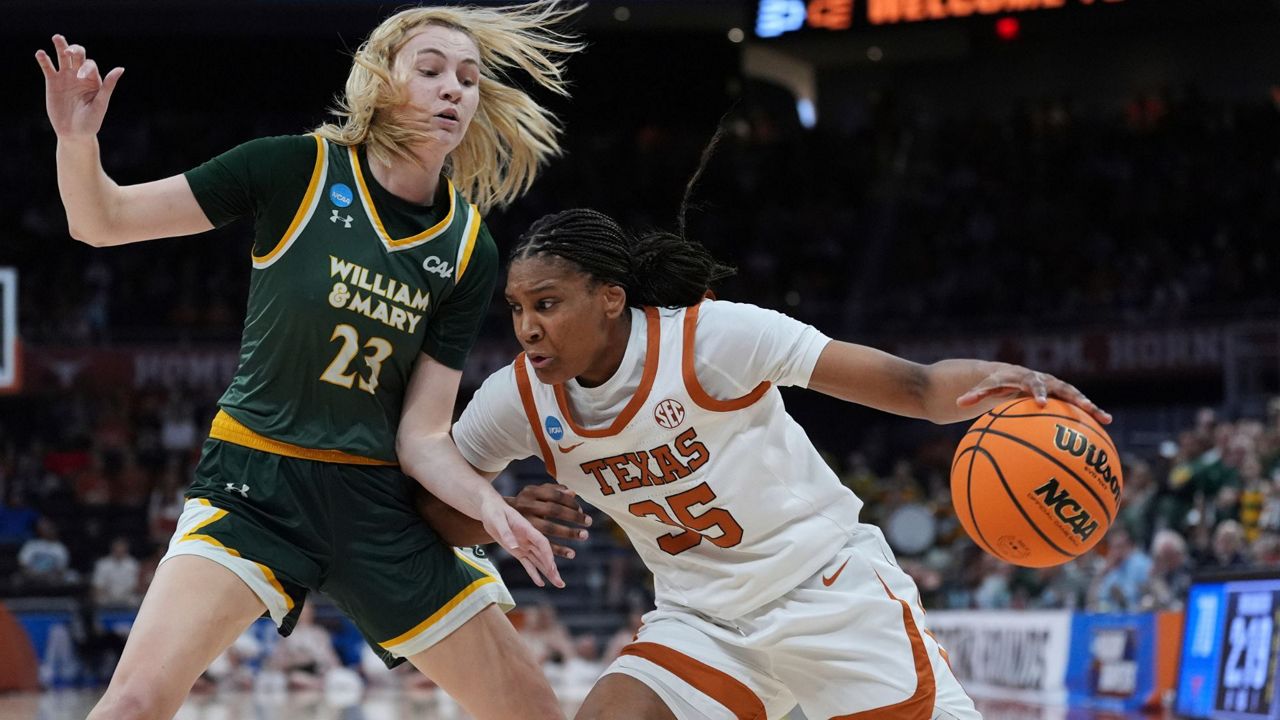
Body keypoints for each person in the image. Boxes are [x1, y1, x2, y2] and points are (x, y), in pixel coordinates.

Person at [35, 3, 587, 718]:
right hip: (257, 485)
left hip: (376, 505)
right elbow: (99, 221)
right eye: (430, 70)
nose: (453, 88)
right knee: (133, 704)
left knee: (536, 713)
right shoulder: (295, 168)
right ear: (381, 81)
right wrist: (76, 141)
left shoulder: (466, 247)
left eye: (468, 78)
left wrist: (491, 507)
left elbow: (422, 437)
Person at [424, 206, 1114, 719]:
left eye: (546, 304)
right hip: (703, 621)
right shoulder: (516, 398)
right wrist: (496, 516)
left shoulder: (712, 340)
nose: (528, 328)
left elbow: (917, 387)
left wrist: (1018, 384)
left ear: (610, 298)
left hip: (828, 593)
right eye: (516, 309)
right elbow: (433, 505)